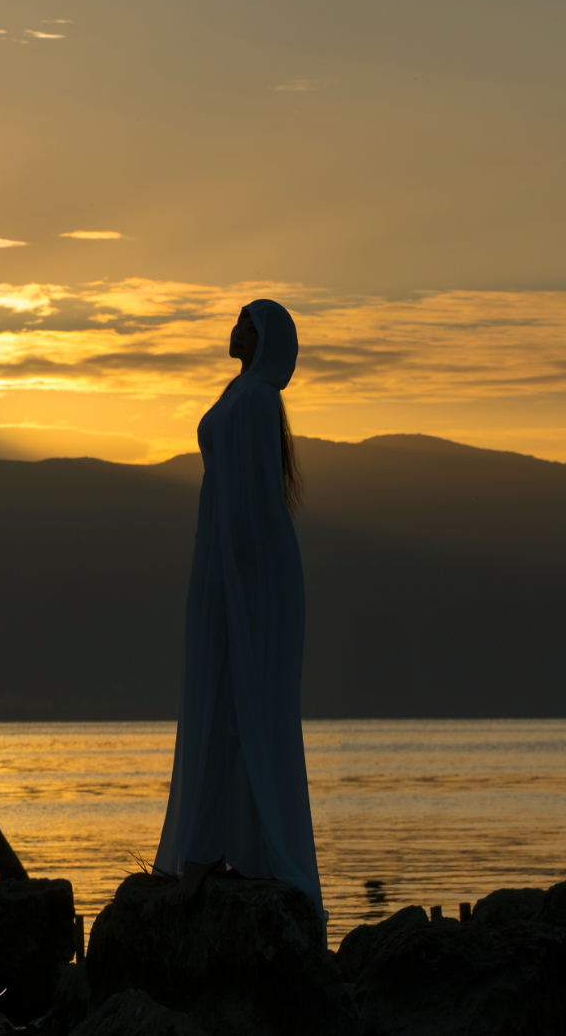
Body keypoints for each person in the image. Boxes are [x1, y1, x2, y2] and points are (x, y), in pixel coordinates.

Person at [154, 298, 324, 920]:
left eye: (246, 320)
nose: (234, 326)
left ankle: (207, 852)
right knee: (215, 693)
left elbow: (256, 501)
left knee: (238, 695)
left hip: (246, 568)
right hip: (221, 562)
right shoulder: (240, 394)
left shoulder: (254, 401)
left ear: (266, 337)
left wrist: (237, 576)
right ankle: (220, 844)